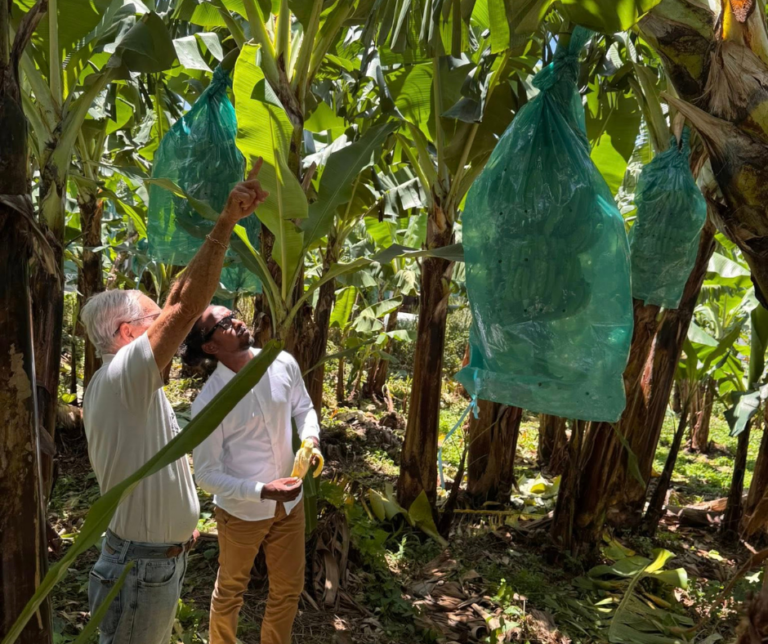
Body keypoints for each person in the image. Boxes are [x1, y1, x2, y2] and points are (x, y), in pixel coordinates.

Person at [79, 160, 268, 644]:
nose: (163, 323)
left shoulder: (125, 380)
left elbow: (176, 297)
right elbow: (185, 308)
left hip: (150, 559)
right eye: (152, 320)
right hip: (140, 565)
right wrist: (225, 223)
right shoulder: (124, 374)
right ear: (127, 334)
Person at [180, 306, 321, 644]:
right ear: (211, 347)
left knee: (288, 588)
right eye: (225, 324)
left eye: (234, 315)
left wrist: (311, 438)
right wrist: (262, 490)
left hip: (290, 504)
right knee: (230, 590)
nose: (239, 321)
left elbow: (303, 407)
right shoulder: (211, 402)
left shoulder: (281, 362)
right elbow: (207, 475)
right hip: (242, 511)